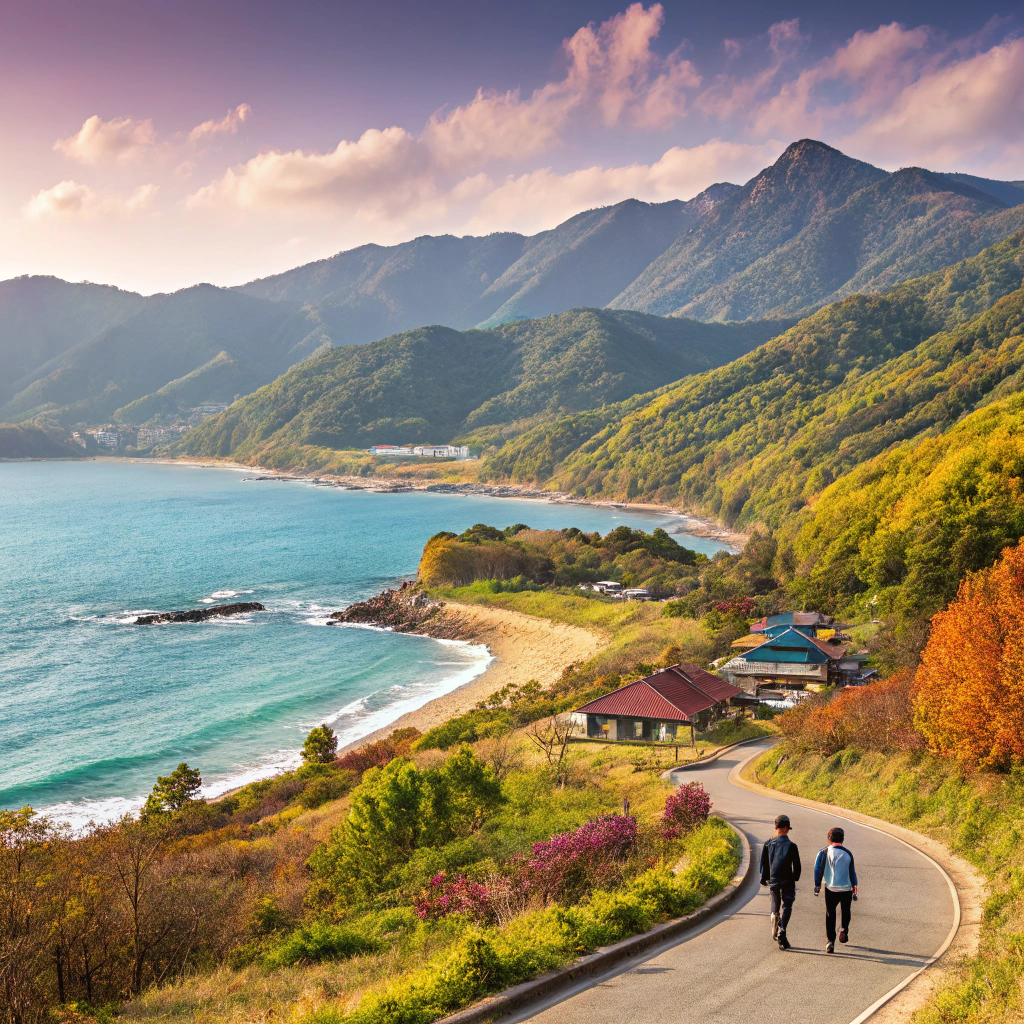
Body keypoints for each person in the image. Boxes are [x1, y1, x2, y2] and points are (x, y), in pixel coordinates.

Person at [814, 826, 859, 953]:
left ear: (829, 838)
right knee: (846, 911)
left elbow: (817, 869)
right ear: (843, 839)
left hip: (830, 888)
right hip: (846, 888)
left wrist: (817, 885)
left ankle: (830, 941)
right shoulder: (848, 853)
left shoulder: (823, 852)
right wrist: (855, 886)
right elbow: (852, 872)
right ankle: (843, 929)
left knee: (830, 913)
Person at [760, 813, 801, 950]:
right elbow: (797, 866)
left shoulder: (768, 844)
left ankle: (774, 916)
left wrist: (764, 878)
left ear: (776, 827)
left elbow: (764, 863)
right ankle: (782, 929)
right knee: (787, 905)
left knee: (775, 903)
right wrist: (795, 877)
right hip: (788, 880)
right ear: (785, 828)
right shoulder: (792, 846)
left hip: (774, 880)